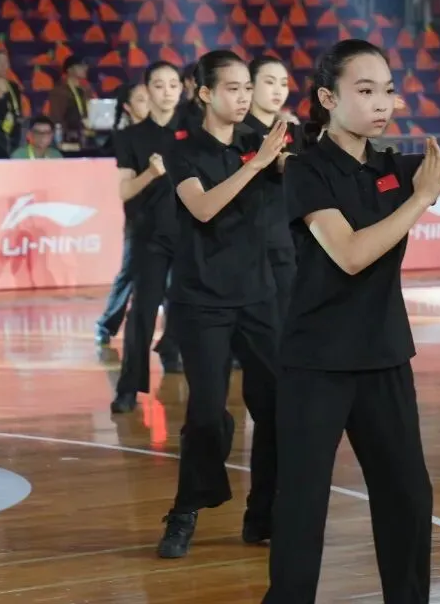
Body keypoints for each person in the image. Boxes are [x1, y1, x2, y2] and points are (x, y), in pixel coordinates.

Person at [263, 39, 440, 603]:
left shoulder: (393, 166)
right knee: (302, 508)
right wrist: (421, 200)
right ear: (328, 98)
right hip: (317, 363)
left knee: (408, 497)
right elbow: (351, 254)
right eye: (365, 91)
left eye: (387, 90)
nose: (381, 102)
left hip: (384, 356)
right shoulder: (306, 171)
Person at [155, 50, 287, 557]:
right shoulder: (182, 148)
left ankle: (264, 515)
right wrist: (258, 165)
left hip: (259, 296)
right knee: (207, 414)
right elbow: (204, 207)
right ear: (205, 93)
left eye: (248, 88)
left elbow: (294, 172)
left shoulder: (260, 142)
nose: (244, 97)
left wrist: (273, 158)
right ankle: (185, 509)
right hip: (201, 301)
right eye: (233, 88)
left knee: (276, 409)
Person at [110, 64, 184, 414]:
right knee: (142, 313)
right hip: (149, 235)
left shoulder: (195, 131)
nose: (167, 91)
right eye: (159, 85)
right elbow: (124, 191)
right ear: (148, 91)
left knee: (190, 306)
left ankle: (171, 348)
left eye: (173, 85)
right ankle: (128, 388)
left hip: (190, 234)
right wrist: (151, 173)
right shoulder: (131, 137)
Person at [243, 56, 302, 319]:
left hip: (284, 240)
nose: (278, 90)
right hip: (244, 243)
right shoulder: (236, 132)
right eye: (269, 82)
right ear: (250, 86)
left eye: (283, 83)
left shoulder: (293, 131)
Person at [96, 83, 150, 346]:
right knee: (130, 271)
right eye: (141, 99)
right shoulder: (124, 139)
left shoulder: (170, 133)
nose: (148, 102)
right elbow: (125, 186)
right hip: (140, 216)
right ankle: (107, 325)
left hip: (170, 214)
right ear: (127, 107)